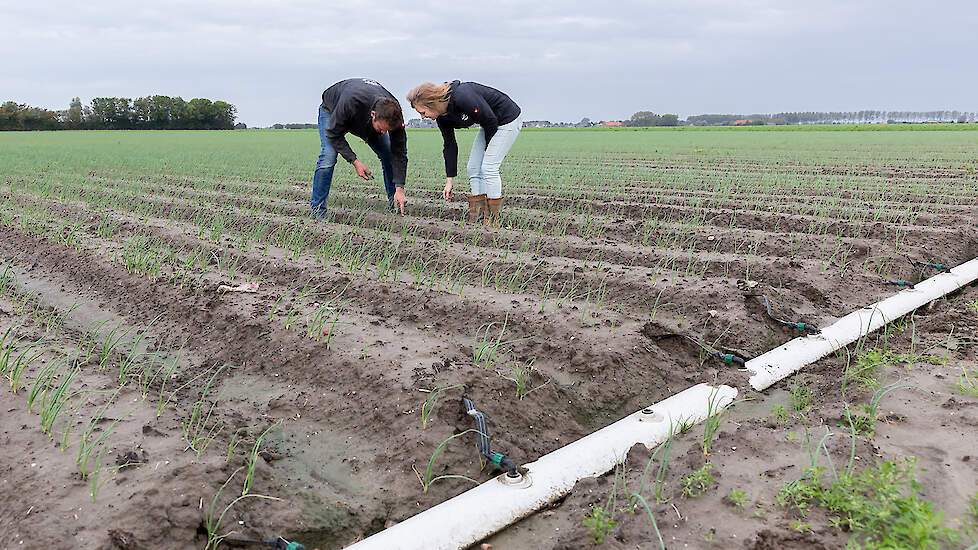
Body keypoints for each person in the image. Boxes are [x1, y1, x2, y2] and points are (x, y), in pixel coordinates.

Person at [406, 81, 522, 227]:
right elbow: (449, 145)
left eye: (423, 112)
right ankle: (478, 216)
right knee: (473, 168)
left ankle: (493, 220)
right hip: (490, 123)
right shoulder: (442, 117)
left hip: (506, 120)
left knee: (488, 167)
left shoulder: (462, 97)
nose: (423, 117)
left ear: (432, 103)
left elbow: (490, 119)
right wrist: (449, 180)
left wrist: (487, 147)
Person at [312, 78, 408, 216]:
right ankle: (318, 212)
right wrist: (354, 161)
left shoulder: (394, 113)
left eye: (388, 130)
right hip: (332, 111)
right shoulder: (350, 102)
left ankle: (396, 206)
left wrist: (400, 188)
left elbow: (399, 153)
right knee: (329, 156)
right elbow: (334, 134)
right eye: (382, 129)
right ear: (373, 115)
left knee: (389, 153)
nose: (384, 133)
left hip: (364, 119)